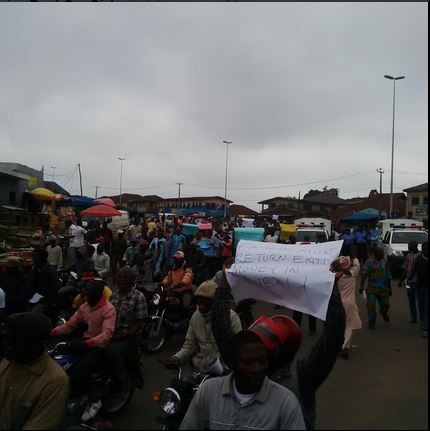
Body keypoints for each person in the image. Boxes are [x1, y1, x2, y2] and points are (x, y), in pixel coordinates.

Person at [211, 271, 346, 430]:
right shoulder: (244, 367)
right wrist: (225, 285)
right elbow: (222, 331)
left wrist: (332, 292)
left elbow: (332, 339)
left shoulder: (303, 376)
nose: (255, 363)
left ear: (282, 351)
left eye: (264, 350)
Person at [180, 330, 306, 430]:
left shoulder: (286, 403)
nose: (257, 368)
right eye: (249, 362)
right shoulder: (208, 391)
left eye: (262, 362)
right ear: (233, 364)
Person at [50, 278, 116, 422]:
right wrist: (51, 332)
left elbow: (107, 334)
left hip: (98, 346)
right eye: (86, 293)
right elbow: (69, 325)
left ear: (99, 294)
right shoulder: (84, 307)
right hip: (82, 342)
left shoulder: (108, 309)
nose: (86, 296)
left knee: (81, 368)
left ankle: (94, 400)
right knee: (57, 358)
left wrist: (89, 342)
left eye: (89, 294)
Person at [0, 312, 69, 429]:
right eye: (5, 338)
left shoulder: (55, 382)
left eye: (13, 340)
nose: (5, 344)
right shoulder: (8, 361)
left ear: (34, 344)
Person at [168, 280, 242, 373]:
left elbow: (238, 351)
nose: (200, 303)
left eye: (205, 299)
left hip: (223, 372)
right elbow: (190, 345)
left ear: (215, 301)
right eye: (199, 299)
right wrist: (177, 358)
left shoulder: (232, 318)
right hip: (199, 370)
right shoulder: (196, 316)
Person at [106, 267, 146, 393]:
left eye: (125, 277)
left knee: (111, 351)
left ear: (132, 280)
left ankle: (122, 381)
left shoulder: (138, 297)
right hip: (112, 334)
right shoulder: (113, 296)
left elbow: (139, 325)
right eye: (119, 277)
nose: (121, 280)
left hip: (129, 337)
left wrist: (122, 335)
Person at [331, 254, 361, 359]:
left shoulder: (335, 277)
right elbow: (356, 262)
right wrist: (350, 260)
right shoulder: (353, 273)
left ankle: (338, 344)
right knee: (349, 326)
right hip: (349, 303)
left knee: (338, 325)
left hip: (338, 303)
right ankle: (345, 347)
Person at [359, 246, 391, 330]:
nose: (382, 254)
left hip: (383, 288)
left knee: (385, 305)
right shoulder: (369, 262)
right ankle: (371, 321)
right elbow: (364, 275)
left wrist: (390, 288)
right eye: (380, 253)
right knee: (371, 305)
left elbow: (388, 275)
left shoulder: (385, 262)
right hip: (372, 288)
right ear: (375, 254)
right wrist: (361, 286)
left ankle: (383, 313)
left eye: (382, 253)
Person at [409, 242, 428, 338]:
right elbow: (413, 270)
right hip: (420, 286)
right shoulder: (419, 259)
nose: (426, 250)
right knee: (421, 306)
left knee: (426, 307)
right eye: (424, 249)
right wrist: (408, 280)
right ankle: (423, 322)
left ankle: (425, 328)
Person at [402, 241, 421, 324]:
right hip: (410, 281)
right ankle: (414, 317)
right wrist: (402, 280)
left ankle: (422, 318)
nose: (408, 247)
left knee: (420, 301)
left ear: (415, 246)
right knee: (411, 300)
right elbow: (406, 268)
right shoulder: (408, 256)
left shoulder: (421, 256)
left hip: (419, 281)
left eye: (410, 246)